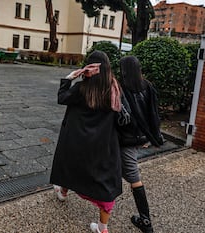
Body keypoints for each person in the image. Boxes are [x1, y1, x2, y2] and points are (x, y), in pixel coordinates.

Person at [50, 50, 124, 233]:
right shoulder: (114, 89)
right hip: (103, 144)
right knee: (105, 182)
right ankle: (103, 227)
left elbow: (62, 98)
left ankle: (64, 192)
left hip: (77, 139)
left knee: (69, 165)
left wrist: (69, 77)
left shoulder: (81, 89)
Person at [118, 55, 164, 233]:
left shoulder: (122, 89)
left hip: (127, 139)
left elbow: (122, 119)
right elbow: (154, 113)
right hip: (141, 137)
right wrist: (151, 136)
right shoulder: (148, 86)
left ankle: (146, 221)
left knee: (133, 176)